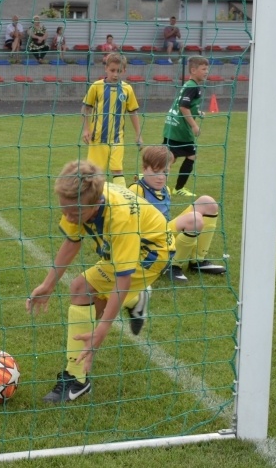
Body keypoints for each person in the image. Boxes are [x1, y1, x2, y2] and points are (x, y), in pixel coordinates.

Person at [26, 160, 170, 403]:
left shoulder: (120, 218)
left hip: (151, 252)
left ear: (95, 204)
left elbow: (122, 280)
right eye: (63, 209)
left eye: (73, 213)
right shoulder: (78, 201)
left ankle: (77, 379)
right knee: (86, 295)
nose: (68, 217)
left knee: (84, 292)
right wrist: (48, 284)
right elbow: (72, 241)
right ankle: (136, 299)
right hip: (125, 247)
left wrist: (102, 330)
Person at [130, 145, 226, 279]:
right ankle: (172, 265)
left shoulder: (165, 189)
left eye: (165, 172)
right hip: (149, 241)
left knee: (208, 202)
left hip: (165, 233)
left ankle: (197, 260)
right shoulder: (136, 190)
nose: (161, 177)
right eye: (156, 172)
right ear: (144, 169)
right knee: (194, 219)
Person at [81, 52, 142, 187]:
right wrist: (86, 129)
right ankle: (91, 196)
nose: (115, 74)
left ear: (124, 70)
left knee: (117, 169)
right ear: (106, 68)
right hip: (97, 138)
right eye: (112, 70)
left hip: (117, 138)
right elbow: (86, 108)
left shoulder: (127, 89)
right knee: (94, 172)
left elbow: (133, 112)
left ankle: (122, 196)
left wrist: (138, 134)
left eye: (119, 71)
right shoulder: (96, 86)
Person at [162, 55, 209, 197]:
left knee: (169, 157)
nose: (206, 72)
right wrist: (194, 125)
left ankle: (149, 176)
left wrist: (197, 112)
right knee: (190, 155)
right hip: (181, 129)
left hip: (172, 125)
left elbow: (185, 104)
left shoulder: (189, 84)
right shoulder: (193, 87)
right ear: (193, 70)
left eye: (207, 69)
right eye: (203, 69)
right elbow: (183, 106)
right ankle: (177, 188)